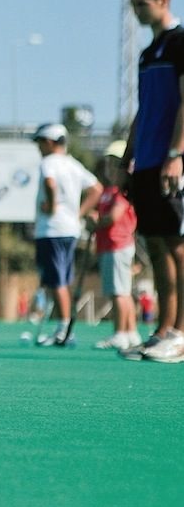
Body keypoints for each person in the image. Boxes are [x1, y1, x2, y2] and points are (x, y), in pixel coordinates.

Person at [122, 0, 184, 362]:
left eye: (142, 4)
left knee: (178, 248)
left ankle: (181, 332)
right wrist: (129, 152)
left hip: (170, 161)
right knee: (157, 246)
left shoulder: (180, 42)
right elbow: (144, 108)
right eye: (133, 5)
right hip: (146, 160)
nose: (137, 12)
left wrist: (177, 154)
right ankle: (163, 328)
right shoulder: (149, 52)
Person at [30, 123, 102, 346]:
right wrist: (77, 214)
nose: (39, 147)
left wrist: (52, 207)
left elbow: (50, 184)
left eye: (41, 142)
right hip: (69, 229)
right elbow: (96, 189)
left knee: (57, 280)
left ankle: (63, 329)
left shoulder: (49, 162)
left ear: (50, 142)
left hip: (53, 230)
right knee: (60, 279)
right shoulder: (73, 164)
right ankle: (63, 327)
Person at [91, 141, 141, 350]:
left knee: (120, 292)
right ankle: (131, 333)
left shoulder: (122, 191)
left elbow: (113, 217)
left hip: (118, 244)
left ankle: (121, 333)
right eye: (109, 162)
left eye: (115, 163)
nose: (111, 167)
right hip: (108, 245)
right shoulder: (107, 190)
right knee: (121, 291)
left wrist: (96, 220)